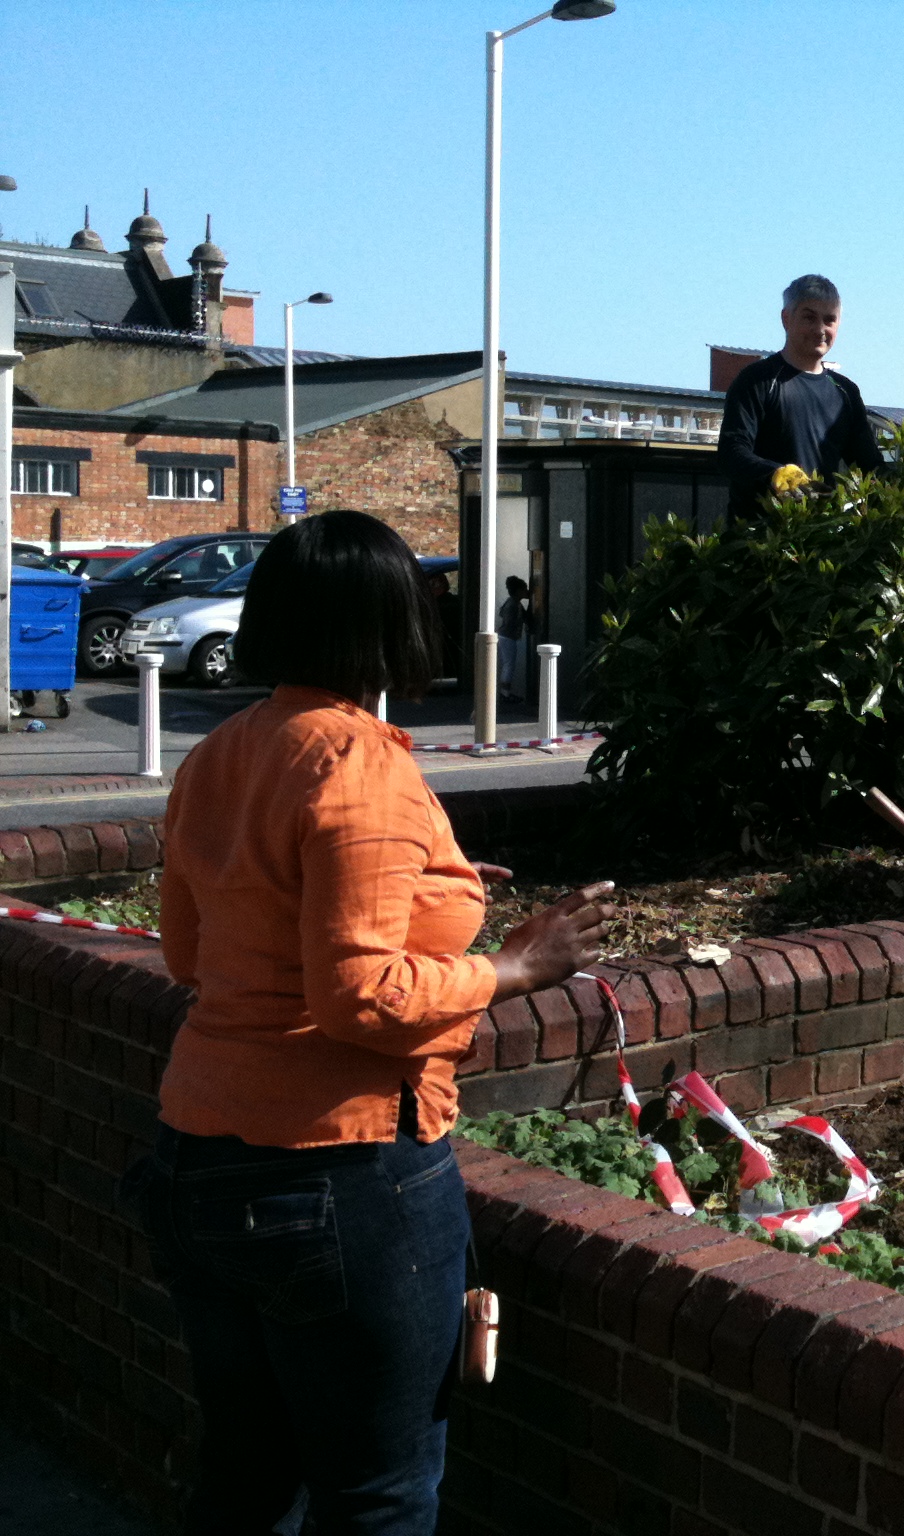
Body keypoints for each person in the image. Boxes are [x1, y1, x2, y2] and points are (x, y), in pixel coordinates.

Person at [122, 511, 618, 1533]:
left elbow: (190, 955)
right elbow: (360, 997)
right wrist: (517, 966)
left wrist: (422, 882)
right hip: (335, 1173)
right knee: (377, 1496)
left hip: (193, 1158)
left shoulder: (218, 754)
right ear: (388, 623)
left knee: (246, 1475)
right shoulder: (360, 763)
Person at [717, 274, 885, 513]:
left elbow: (870, 467)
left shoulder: (845, 392)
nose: (820, 329)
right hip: (760, 531)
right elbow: (731, 453)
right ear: (786, 319)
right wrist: (774, 474)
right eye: (809, 317)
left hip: (819, 530)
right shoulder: (758, 380)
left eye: (829, 320)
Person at [496, 573, 529, 699]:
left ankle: (505, 692)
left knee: (508, 664)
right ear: (518, 591)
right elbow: (511, 621)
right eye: (524, 589)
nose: (527, 592)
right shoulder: (514, 605)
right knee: (509, 665)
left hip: (505, 637)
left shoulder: (513, 603)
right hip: (507, 637)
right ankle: (505, 693)